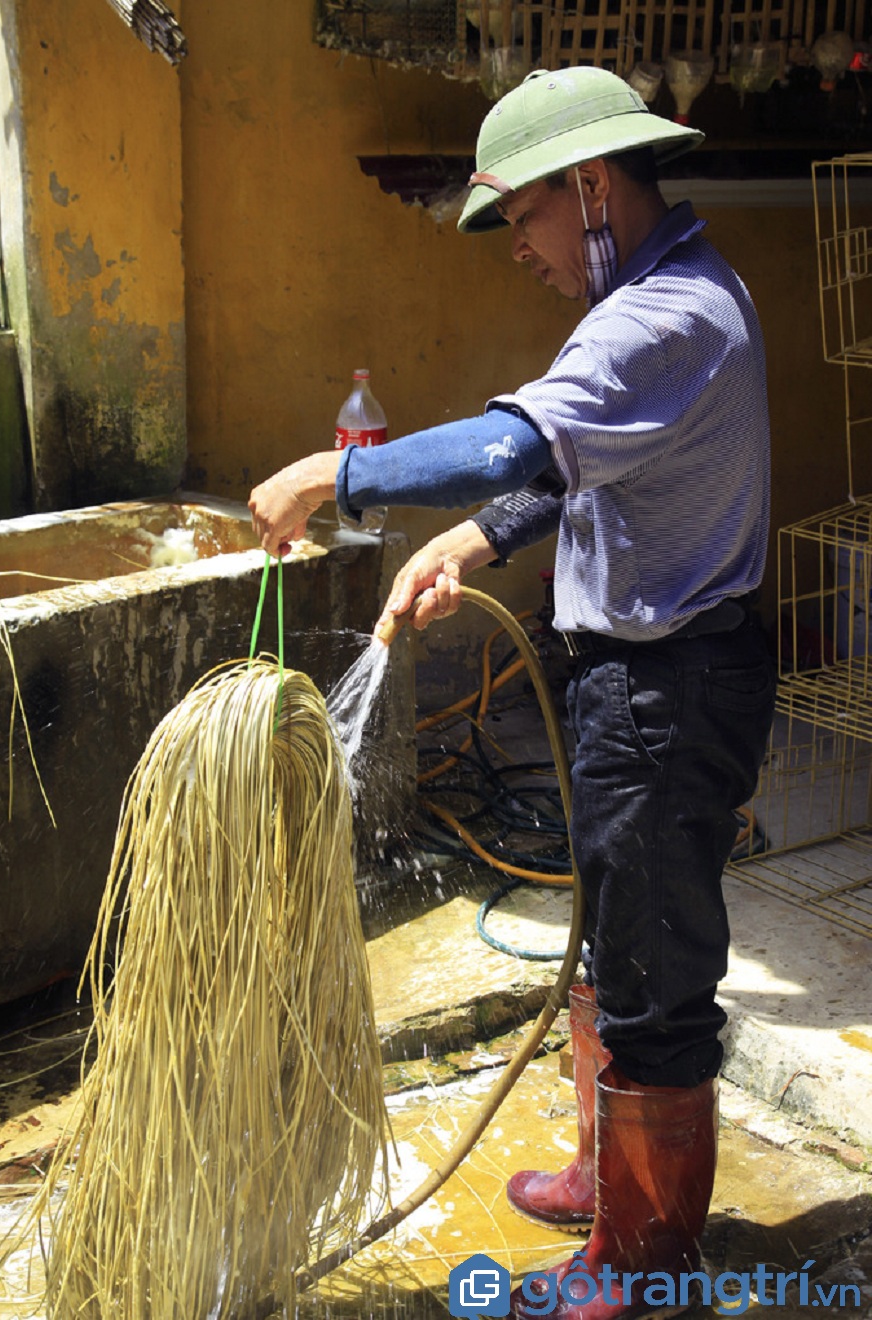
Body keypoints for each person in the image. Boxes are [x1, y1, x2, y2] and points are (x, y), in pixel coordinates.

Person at [249, 65, 777, 1320]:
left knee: (657, 968)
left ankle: (644, 1263)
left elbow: (510, 444)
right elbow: (562, 470)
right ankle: (610, 1176)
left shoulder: (667, 317)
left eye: (527, 217)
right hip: (631, 682)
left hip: (671, 686)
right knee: (612, 933)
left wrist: (338, 472)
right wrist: (468, 544)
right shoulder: (653, 301)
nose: (521, 252)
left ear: (590, 186)